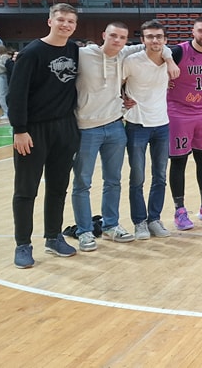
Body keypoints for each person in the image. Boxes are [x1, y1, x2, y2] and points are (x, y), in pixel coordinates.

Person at [71, 22, 163, 251]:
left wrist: (169, 60)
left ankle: (110, 225)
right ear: (104, 35)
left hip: (115, 126)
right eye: (113, 36)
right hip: (86, 128)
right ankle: (84, 231)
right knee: (82, 183)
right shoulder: (82, 54)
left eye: (122, 37)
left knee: (113, 181)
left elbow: (158, 45)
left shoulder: (124, 54)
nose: (117, 40)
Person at [9, 3, 81, 268]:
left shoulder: (74, 49)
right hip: (33, 130)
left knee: (58, 187)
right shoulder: (31, 53)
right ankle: (23, 244)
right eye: (61, 19)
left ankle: (53, 236)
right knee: (26, 189)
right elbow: (15, 95)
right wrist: (20, 129)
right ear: (50, 21)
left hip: (65, 127)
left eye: (70, 21)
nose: (65, 25)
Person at [123, 19, 176, 240]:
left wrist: (170, 60)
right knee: (137, 178)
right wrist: (122, 97)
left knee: (160, 176)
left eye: (159, 36)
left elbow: (168, 53)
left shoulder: (168, 58)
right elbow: (117, 83)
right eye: (150, 36)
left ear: (165, 40)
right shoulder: (131, 61)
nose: (155, 40)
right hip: (137, 124)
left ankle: (154, 219)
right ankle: (139, 222)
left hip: (162, 124)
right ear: (143, 40)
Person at [167, 17, 202, 229]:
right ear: (193, 32)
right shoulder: (178, 52)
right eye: (201, 31)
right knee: (179, 161)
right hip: (179, 114)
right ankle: (179, 210)